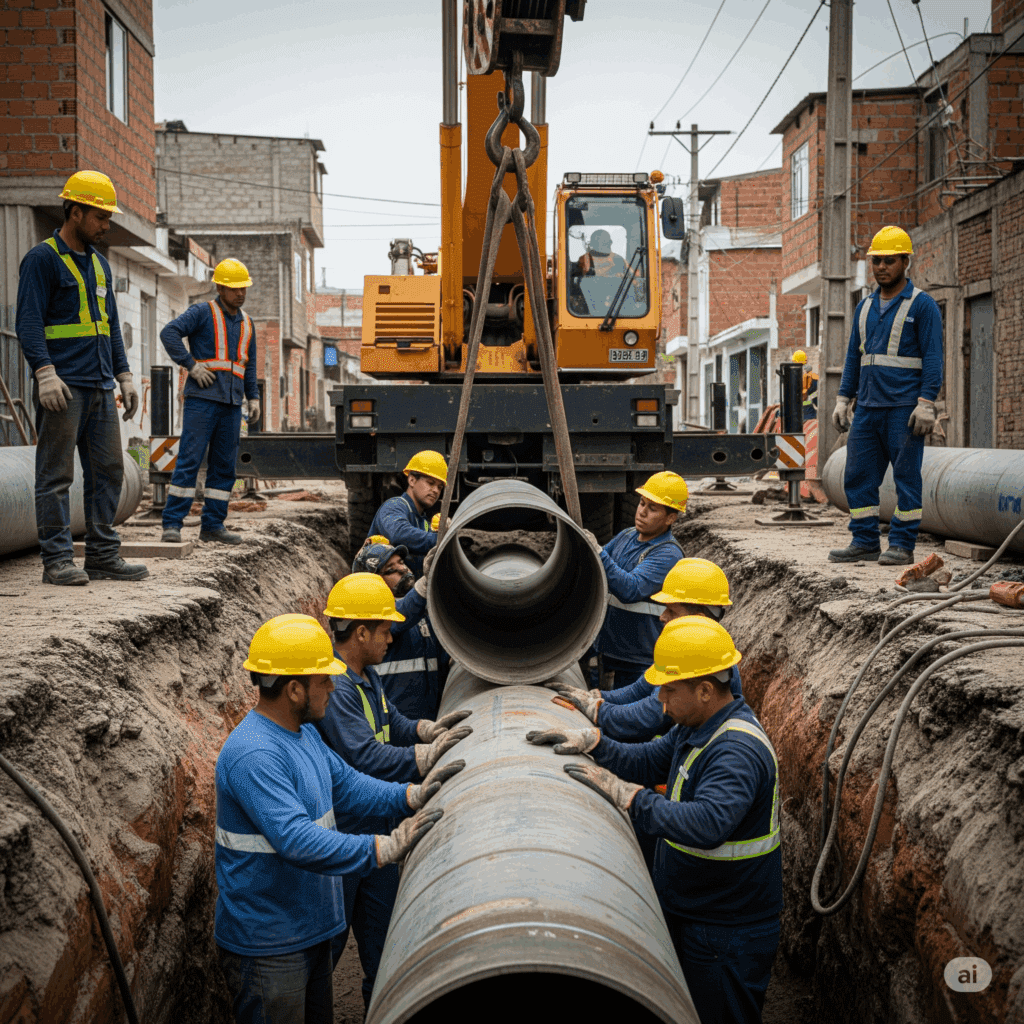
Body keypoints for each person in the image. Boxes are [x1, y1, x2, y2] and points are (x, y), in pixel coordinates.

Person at [527, 616, 782, 1024]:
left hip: (725, 929)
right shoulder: (697, 726)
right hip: (695, 907)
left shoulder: (735, 751)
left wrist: (630, 798)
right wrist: (595, 742)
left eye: (669, 688)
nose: (660, 700)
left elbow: (708, 824)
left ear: (704, 690)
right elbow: (650, 760)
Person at [215, 613, 460, 1024]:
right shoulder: (255, 755)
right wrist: (383, 847)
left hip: (308, 933)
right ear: (294, 689)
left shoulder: (303, 733)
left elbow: (348, 785)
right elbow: (295, 839)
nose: (333, 686)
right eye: (324, 680)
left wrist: (410, 796)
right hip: (270, 947)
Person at [316, 572, 472, 1011]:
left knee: (383, 948)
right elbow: (363, 755)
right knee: (326, 948)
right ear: (360, 631)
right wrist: (424, 761)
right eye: (385, 630)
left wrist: (426, 730)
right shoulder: (338, 687)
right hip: (345, 833)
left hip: (380, 826)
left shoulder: (366, 675)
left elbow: (391, 723)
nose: (390, 638)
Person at [15, 170, 146, 586]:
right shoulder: (42, 259)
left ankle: (103, 556)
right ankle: (56, 560)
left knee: (107, 471)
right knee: (56, 476)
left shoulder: (102, 266)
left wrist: (124, 375)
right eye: (101, 217)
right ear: (74, 211)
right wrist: (44, 373)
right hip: (63, 387)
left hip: (100, 386)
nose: (107, 225)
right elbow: (29, 322)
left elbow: (108, 327)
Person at [829, 225, 943, 567]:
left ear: (905, 261)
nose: (881, 267)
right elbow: (855, 358)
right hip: (867, 408)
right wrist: (842, 398)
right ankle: (864, 541)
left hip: (904, 409)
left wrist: (926, 404)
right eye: (876, 261)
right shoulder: (864, 307)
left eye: (888, 260)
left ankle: (903, 544)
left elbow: (934, 358)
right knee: (858, 476)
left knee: (907, 478)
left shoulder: (922, 306)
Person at [551, 558, 742, 744]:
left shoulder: (703, 658)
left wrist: (598, 710)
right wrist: (597, 697)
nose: (662, 617)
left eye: (672, 611)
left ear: (699, 617)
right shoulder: (684, 645)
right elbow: (640, 689)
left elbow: (650, 714)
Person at [158, 258, 260, 546]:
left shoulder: (248, 324)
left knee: (224, 465)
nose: (240, 293)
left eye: (243, 288)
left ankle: (213, 525)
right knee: (189, 460)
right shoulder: (202, 312)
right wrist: (191, 365)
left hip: (231, 404)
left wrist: (254, 398)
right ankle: (172, 525)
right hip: (201, 401)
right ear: (219, 287)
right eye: (234, 288)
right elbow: (169, 333)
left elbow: (248, 367)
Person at [591, 471, 687, 689]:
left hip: (638, 662)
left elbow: (630, 588)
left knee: (626, 716)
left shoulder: (667, 554)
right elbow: (596, 569)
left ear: (670, 518)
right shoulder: (627, 536)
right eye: (642, 503)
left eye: (652, 508)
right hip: (608, 651)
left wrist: (599, 552)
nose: (642, 512)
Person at [352, 540, 450, 720]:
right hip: (398, 725)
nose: (403, 569)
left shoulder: (420, 611)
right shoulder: (376, 619)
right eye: (390, 569)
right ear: (372, 583)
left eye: (402, 562)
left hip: (429, 719)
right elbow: (400, 615)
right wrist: (426, 582)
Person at [367, 450, 448, 576]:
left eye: (439, 487)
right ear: (411, 480)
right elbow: (399, 534)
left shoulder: (423, 521)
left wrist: (440, 532)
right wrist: (439, 539)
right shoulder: (394, 506)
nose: (435, 491)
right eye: (430, 483)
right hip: (378, 588)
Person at [792, 349, 818, 423]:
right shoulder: (813, 377)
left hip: (795, 414)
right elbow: (817, 398)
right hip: (810, 414)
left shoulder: (792, 376)